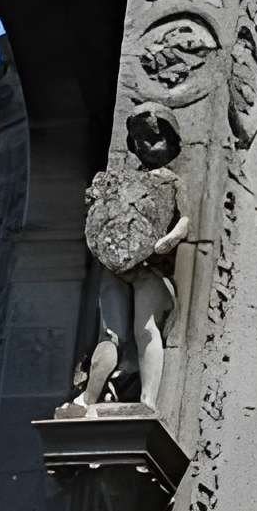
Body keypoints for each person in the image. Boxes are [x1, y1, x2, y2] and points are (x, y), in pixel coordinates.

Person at [81, 109, 188, 412]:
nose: (144, 145)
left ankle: (147, 400)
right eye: (138, 139)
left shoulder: (172, 182)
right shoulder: (118, 181)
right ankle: (88, 398)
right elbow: (100, 215)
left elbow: (185, 220)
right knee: (111, 333)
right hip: (116, 266)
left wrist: (171, 239)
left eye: (153, 138)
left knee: (146, 328)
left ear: (171, 142)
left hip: (150, 267)